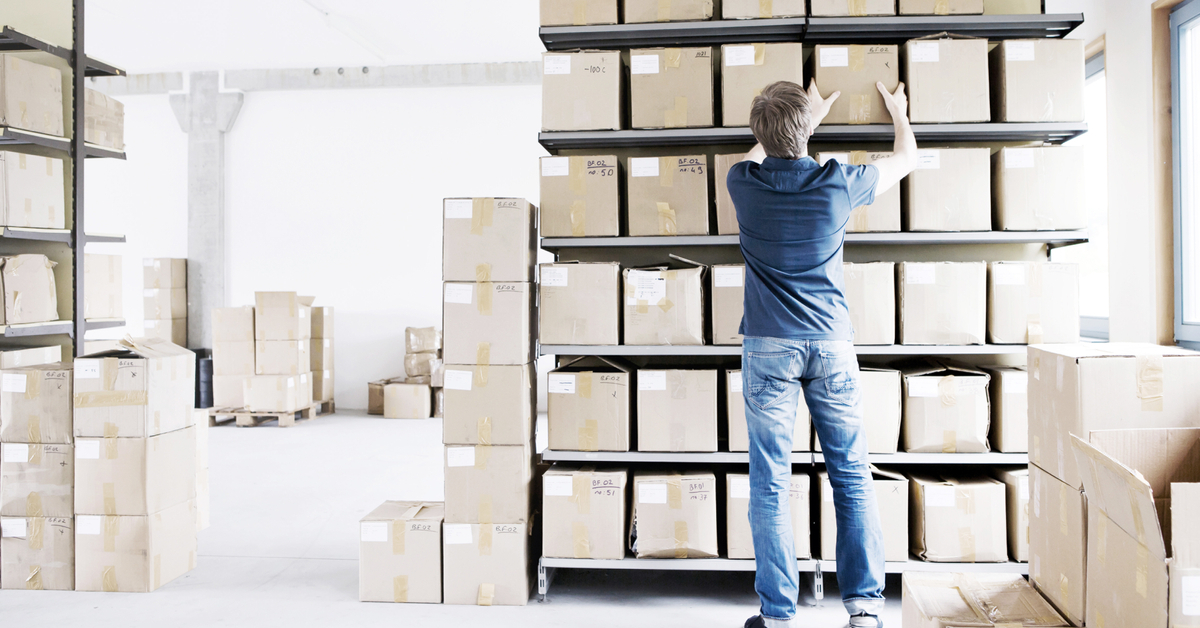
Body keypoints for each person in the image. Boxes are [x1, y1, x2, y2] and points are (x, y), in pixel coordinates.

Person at [726, 79, 917, 628]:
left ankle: (779, 616)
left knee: (770, 480)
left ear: (759, 132)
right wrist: (898, 113)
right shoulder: (838, 183)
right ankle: (863, 611)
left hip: (767, 347)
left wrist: (797, 121)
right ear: (807, 130)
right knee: (852, 474)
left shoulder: (744, 183)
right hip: (830, 344)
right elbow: (908, 158)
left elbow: (753, 151)